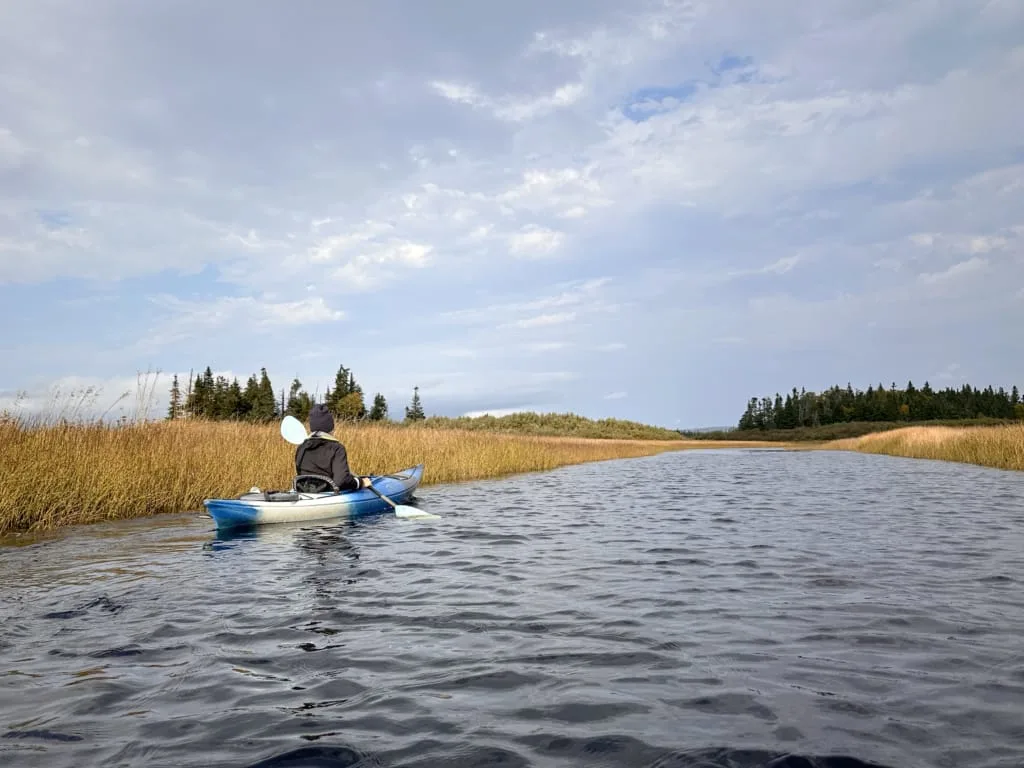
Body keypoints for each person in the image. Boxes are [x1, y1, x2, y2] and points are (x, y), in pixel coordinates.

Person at [293, 404, 373, 493]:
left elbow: (300, 473)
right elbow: (341, 481)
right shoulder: (337, 448)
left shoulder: (301, 447)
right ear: (330, 427)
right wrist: (360, 482)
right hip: (327, 495)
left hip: (305, 493)